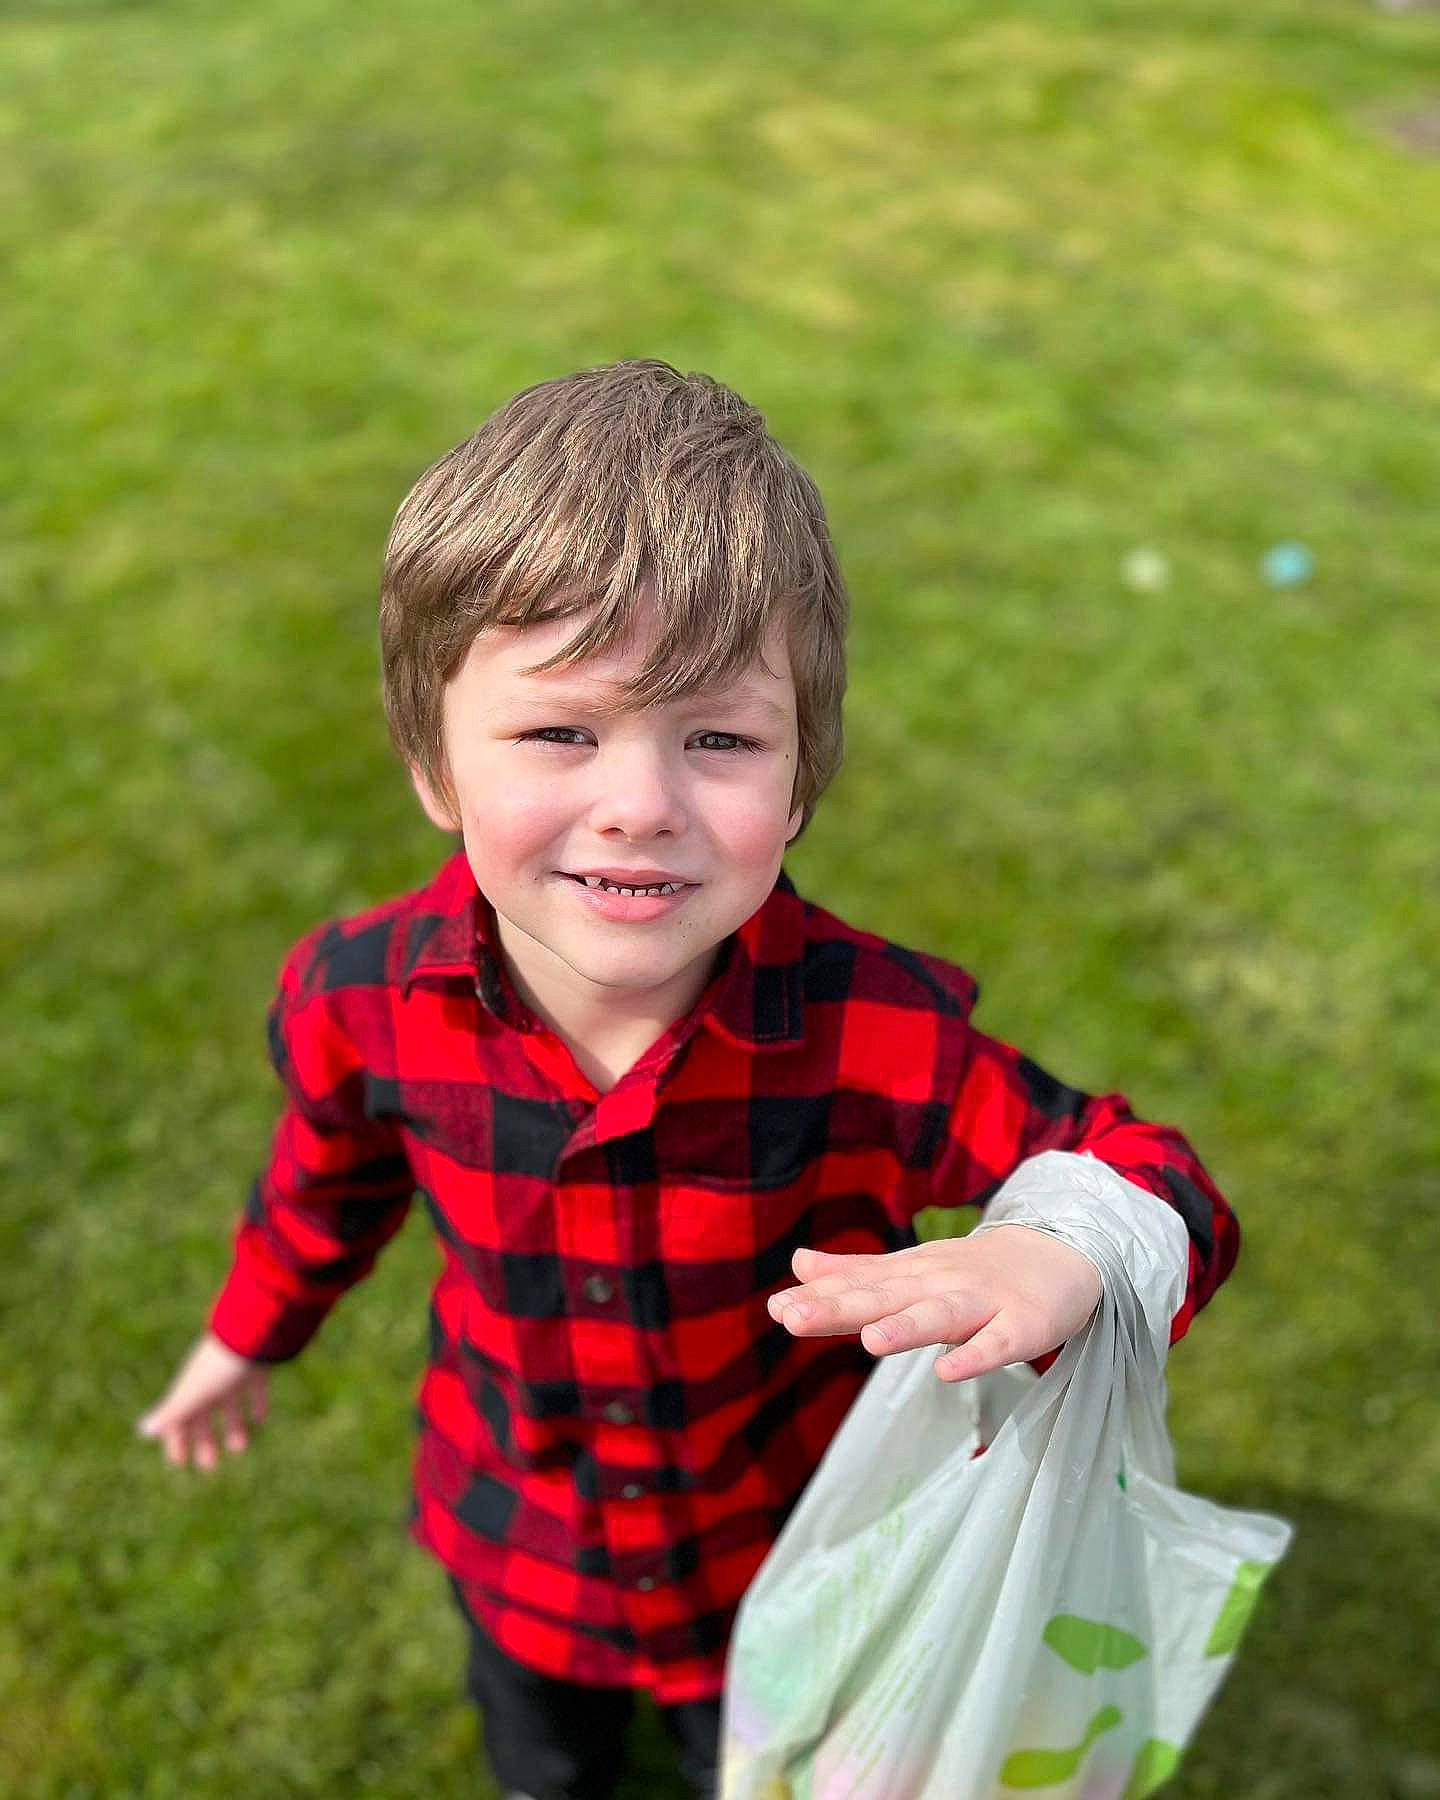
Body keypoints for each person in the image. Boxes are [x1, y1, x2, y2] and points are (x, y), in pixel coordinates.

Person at [136, 359, 1239, 1800]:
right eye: (559, 731)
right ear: (432, 761)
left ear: (798, 781)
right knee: (550, 1774)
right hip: (524, 1547)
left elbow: (1161, 1176)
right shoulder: (361, 1001)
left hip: (798, 1558)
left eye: (718, 737)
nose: (642, 802)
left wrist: (1061, 1252)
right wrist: (245, 1336)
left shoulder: (870, 1027)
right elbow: (321, 1187)